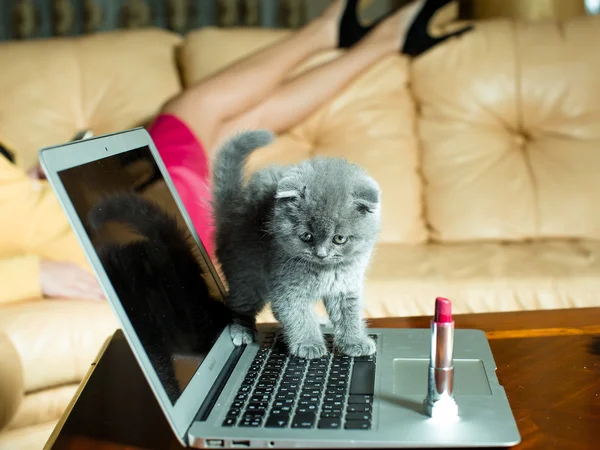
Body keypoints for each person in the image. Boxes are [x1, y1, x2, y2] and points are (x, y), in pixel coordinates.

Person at [0, 0, 471, 305]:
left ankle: (376, 43)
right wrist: (32, 274)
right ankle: (332, 33)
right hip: (141, 236)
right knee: (191, 110)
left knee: (229, 128)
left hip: (123, 220)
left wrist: (31, 178)